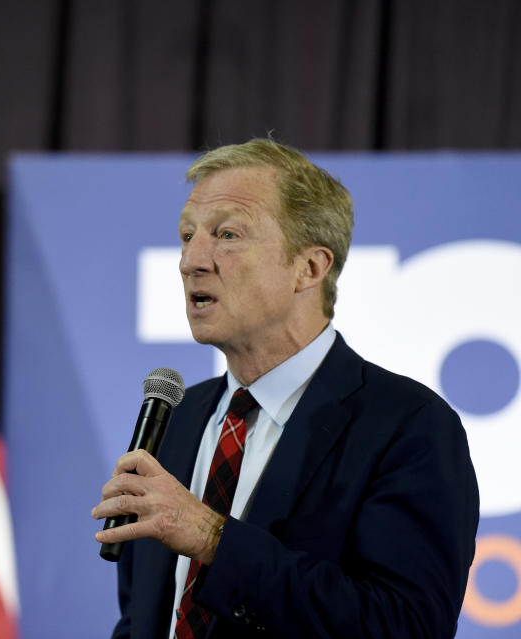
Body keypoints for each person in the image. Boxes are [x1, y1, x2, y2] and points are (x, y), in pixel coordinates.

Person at [91, 139, 479, 638]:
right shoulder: (179, 417)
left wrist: (213, 538)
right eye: (188, 236)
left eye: (227, 234)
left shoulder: (407, 426)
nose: (192, 261)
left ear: (310, 267)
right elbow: (143, 619)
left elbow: (404, 625)